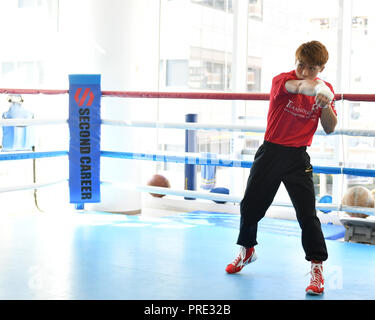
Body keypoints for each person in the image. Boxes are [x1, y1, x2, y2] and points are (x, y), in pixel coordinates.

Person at [225, 40, 337, 295]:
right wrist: (318, 88)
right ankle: (247, 249)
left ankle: (317, 268)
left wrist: (326, 103)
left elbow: (330, 127)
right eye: (301, 65)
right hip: (271, 152)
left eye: (312, 68)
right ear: (295, 63)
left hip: (298, 157)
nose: (304, 71)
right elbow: (300, 85)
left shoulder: (324, 91)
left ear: (321, 68)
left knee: (307, 215)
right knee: (250, 205)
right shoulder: (282, 81)